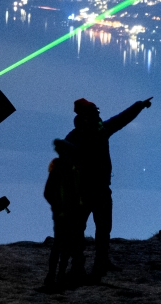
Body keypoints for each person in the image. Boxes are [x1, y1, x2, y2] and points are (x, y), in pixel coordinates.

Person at [65, 96, 151, 280]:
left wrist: (138, 106)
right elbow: (120, 120)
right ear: (86, 115)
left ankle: (91, 263)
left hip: (94, 189)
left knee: (98, 228)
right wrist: (139, 106)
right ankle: (84, 264)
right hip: (88, 190)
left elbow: (121, 119)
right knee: (90, 228)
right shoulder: (93, 132)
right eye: (94, 112)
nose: (98, 114)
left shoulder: (85, 133)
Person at [42, 137, 84, 290]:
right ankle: (55, 276)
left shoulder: (68, 168)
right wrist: (59, 209)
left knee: (62, 246)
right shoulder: (63, 168)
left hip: (68, 213)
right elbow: (49, 192)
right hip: (64, 214)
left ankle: (56, 276)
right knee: (61, 246)